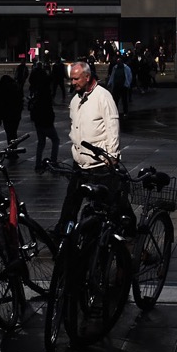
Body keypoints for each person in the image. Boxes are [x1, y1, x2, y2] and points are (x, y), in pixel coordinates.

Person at [53, 61, 128, 236]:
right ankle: (62, 234)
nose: (73, 83)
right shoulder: (75, 100)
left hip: (101, 164)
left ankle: (127, 238)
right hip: (80, 164)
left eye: (76, 79)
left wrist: (112, 155)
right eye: (71, 79)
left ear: (87, 77)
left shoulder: (103, 96)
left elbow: (112, 126)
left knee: (113, 205)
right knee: (71, 201)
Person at [30, 83, 60, 173]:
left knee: (41, 143)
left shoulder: (37, 99)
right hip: (46, 123)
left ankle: (38, 163)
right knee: (56, 140)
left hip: (38, 123)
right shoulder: (46, 99)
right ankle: (53, 160)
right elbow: (49, 112)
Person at [0, 74, 23, 157]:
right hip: (16, 114)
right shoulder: (16, 88)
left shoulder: (4, 90)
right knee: (14, 132)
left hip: (7, 114)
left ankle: (11, 151)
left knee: (9, 133)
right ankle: (14, 151)